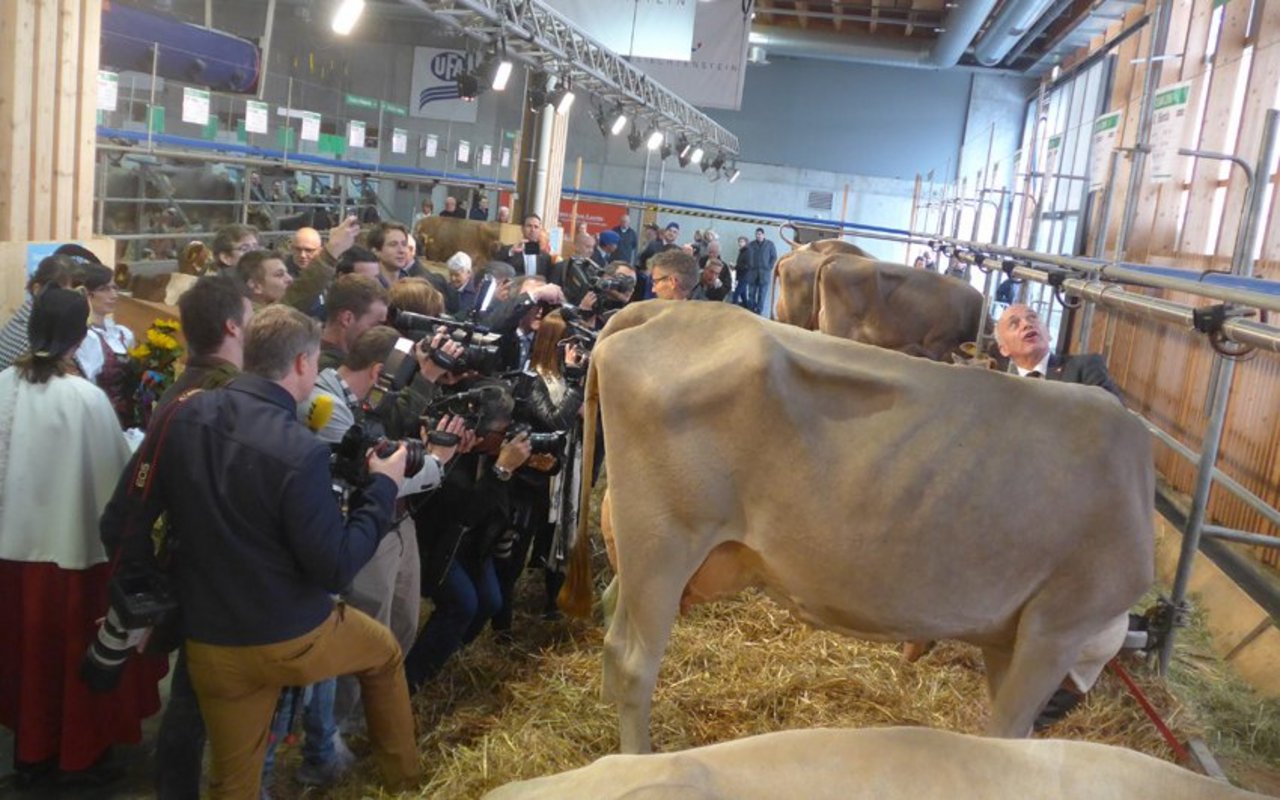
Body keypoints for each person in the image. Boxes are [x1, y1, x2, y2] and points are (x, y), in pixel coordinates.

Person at [98, 305, 421, 799]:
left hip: (209, 638)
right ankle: (407, 781)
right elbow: (335, 566)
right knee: (384, 654)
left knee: (233, 781)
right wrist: (382, 488)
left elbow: (121, 520)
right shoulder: (301, 449)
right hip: (291, 635)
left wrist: (148, 602)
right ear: (301, 364)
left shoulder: (183, 414)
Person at [0, 288, 167, 789]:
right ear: (78, 337)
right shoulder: (84, 398)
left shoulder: (2, 385)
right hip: (72, 555)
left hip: (10, 556)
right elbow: (114, 482)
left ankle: (30, 752)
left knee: (25, 660)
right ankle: (78, 757)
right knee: (73, 660)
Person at [299, 325, 465, 745]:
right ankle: (334, 734)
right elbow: (378, 474)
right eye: (408, 376)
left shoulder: (370, 399)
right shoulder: (326, 403)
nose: (406, 390)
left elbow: (393, 435)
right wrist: (437, 461)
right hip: (365, 526)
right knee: (366, 632)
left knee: (402, 624)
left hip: (398, 522)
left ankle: (367, 717)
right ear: (379, 372)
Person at [993, 301, 1122, 729]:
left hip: (1077, 512)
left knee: (1094, 618)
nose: (1026, 324)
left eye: (1032, 318)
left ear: (1046, 331)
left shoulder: (1084, 368)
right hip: (1013, 512)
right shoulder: (996, 389)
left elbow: (1112, 422)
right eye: (1014, 323)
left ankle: (1043, 707)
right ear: (1004, 348)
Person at [150, 274, 254, 800]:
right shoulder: (223, 396)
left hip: (189, 555)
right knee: (196, 695)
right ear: (233, 326)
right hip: (212, 565)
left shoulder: (181, 387)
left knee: (193, 690)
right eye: (250, 317)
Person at [404, 379, 532, 691]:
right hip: (435, 544)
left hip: (471, 543)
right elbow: (463, 514)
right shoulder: (446, 448)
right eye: (501, 432)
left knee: (491, 600)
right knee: (463, 603)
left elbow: (495, 510)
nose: (505, 439)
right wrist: (501, 471)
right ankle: (411, 679)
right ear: (479, 431)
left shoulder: (485, 450)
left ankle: (447, 651)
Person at [72, 261, 136, 428]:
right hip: (98, 422)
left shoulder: (123, 334)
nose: (113, 295)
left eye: (114, 288)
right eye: (104, 289)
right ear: (87, 293)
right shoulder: (85, 338)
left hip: (128, 421)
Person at [0, 246, 79, 370]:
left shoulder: (30, 315)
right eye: (60, 291)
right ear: (37, 289)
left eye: (75, 291)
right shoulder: (33, 334)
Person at [319, 274, 390, 370]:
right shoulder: (335, 371)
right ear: (347, 319)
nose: (379, 333)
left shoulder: (310, 352)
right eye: (375, 325)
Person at [501, 214, 555, 279]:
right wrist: (511, 251)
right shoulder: (509, 251)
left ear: (540, 230)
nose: (532, 230)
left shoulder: (546, 257)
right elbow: (497, 265)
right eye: (529, 226)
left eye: (536, 227)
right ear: (522, 229)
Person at [744, 227, 777, 314]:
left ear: (763, 235)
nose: (758, 236)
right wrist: (749, 265)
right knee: (751, 294)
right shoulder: (751, 245)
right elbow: (746, 257)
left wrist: (769, 267)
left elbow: (774, 257)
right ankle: (751, 311)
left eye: (759, 234)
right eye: (756, 234)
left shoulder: (770, 244)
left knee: (762, 295)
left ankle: (758, 312)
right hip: (752, 273)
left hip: (764, 274)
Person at [731, 235, 752, 308]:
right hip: (741, 276)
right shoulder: (742, 251)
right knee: (744, 297)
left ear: (746, 242)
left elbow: (747, 266)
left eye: (742, 241)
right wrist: (735, 267)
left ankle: (732, 310)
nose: (740, 243)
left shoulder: (748, 252)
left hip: (745, 277)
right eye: (739, 242)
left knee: (735, 295)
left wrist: (736, 266)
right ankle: (747, 309)